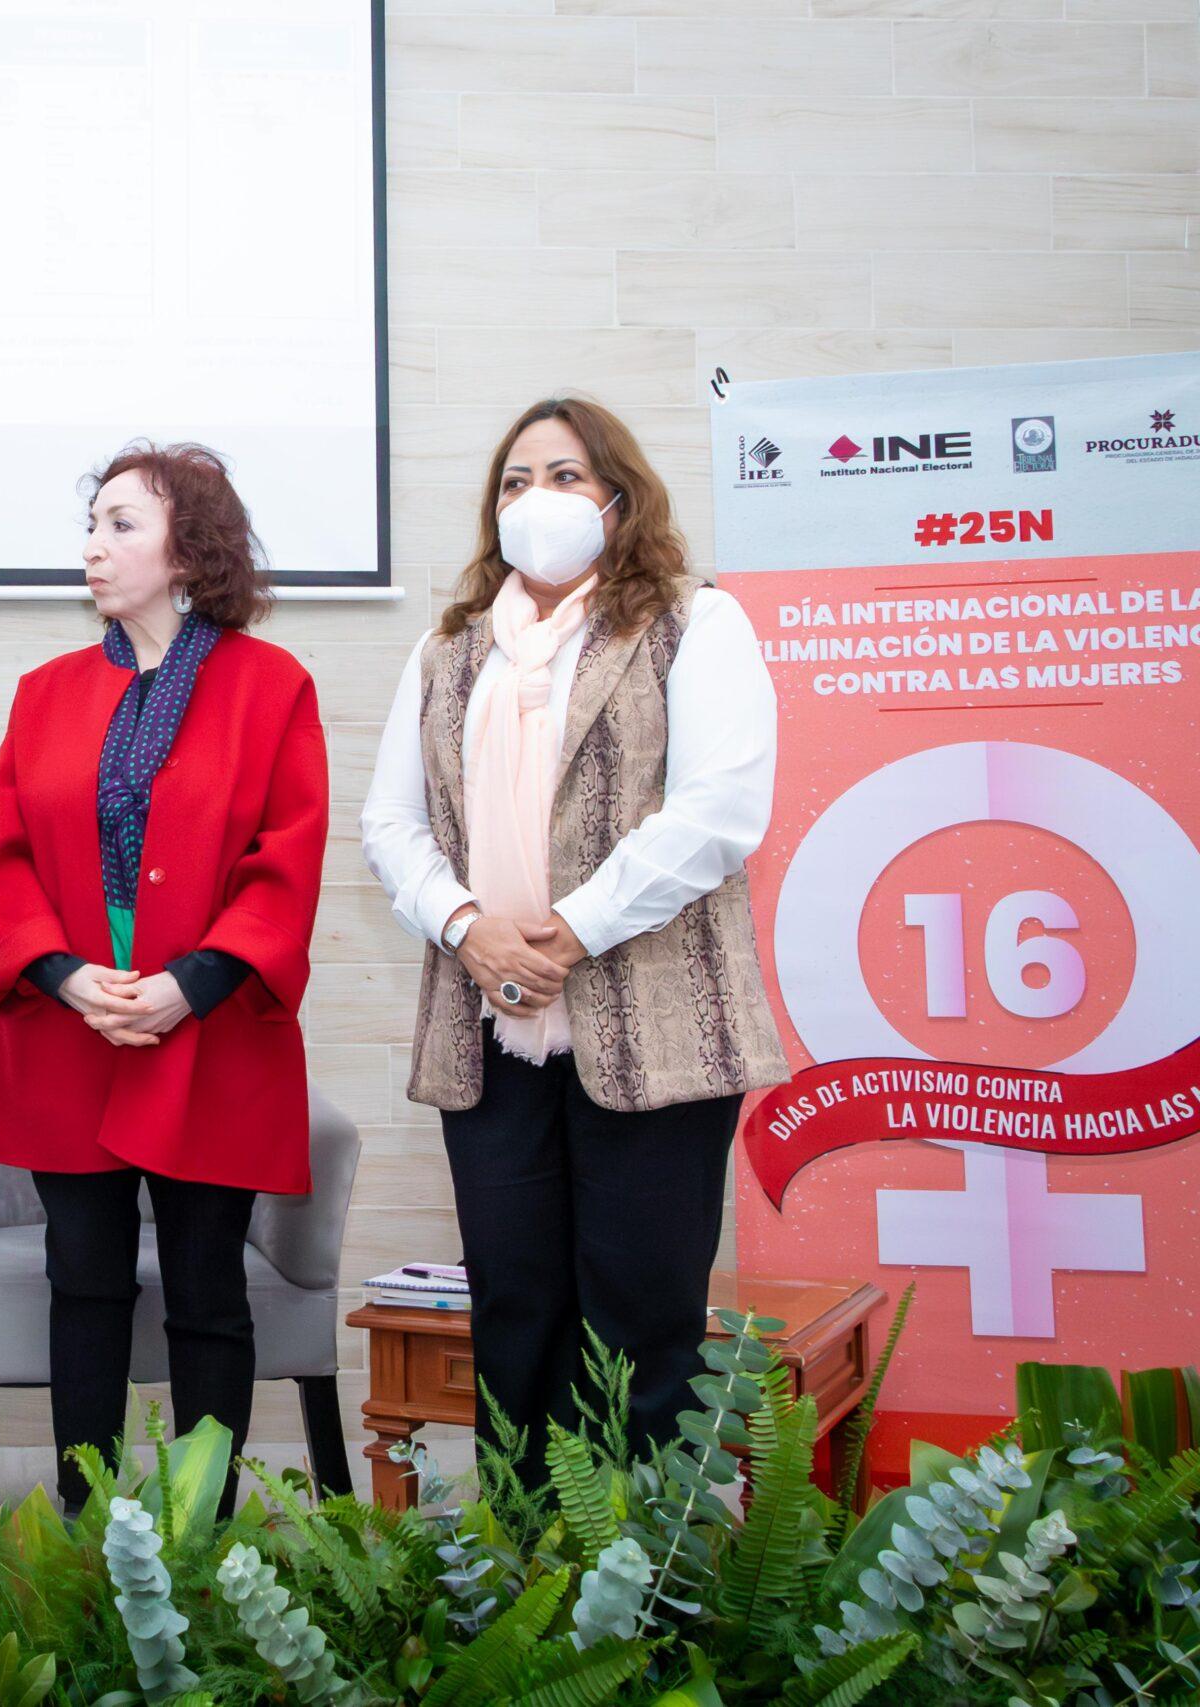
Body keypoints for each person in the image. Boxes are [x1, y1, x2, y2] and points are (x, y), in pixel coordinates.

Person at [360, 396, 788, 1475]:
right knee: (516, 1316)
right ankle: (529, 1584)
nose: (533, 500)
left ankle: (641, 1604)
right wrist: (464, 926)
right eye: (513, 481)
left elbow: (719, 812)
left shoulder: (697, 621)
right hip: (491, 1029)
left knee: (641, 1328)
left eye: (559, 476)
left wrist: (567, 931)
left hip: (652, 1032)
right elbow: (390, 823)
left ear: (615, 496)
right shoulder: (450, 647)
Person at [0, 441, 328, 1516]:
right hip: (67, 1030)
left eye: (122, 524)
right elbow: (6, 859)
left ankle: (201, 1531)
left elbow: (287, 854)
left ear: (188, 550)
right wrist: (67, 976)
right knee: (80, 1285)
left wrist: (193, 981)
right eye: (92, 523)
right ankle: (91, 1524)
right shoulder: (45, 693)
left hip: (210, 1031)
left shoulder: (272, 687)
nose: (95, 545)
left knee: (208, 1295)